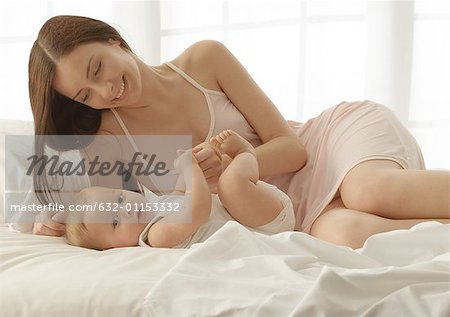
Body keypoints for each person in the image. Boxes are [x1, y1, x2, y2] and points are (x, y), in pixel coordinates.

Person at [28, 15, 449, 249]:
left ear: (114, 39)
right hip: (292, 215)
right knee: (347, 236)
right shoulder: (109, 137)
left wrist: (234, 167)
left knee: (369, 193)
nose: (105, 91)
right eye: (86, 94)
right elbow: (98, 213)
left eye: (98, 68)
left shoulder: (204, 60)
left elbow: (293, 149)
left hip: (327, 146)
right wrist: (51, 219)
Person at [64, 129, 295, 250]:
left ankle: (244, 160)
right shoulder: (155, 235)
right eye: (115, 221)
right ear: (111, 249)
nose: (126, 210)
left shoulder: (156, 209)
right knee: (229, 185)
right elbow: (198, 209)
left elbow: (179, 196)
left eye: (120, 199)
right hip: (265, 223)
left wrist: (189, 164)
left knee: (229, 188)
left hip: (257, 212)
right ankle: (246, 153)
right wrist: (189, 168)